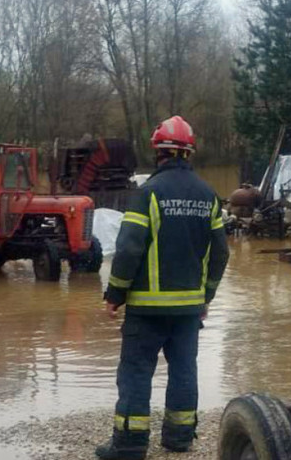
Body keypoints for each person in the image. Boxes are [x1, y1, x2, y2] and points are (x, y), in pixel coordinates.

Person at [96, 116, 230, 460]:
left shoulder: (148, 194)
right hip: (188, 311)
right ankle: (179, 438)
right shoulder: (208, 196)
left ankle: (129, 445)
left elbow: (127, 249)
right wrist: (207, 296)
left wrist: (115, 294)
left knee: (136, 373)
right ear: (189, 154)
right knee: (184, 370)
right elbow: (221, 253)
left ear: (159, 153)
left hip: (147, 310)